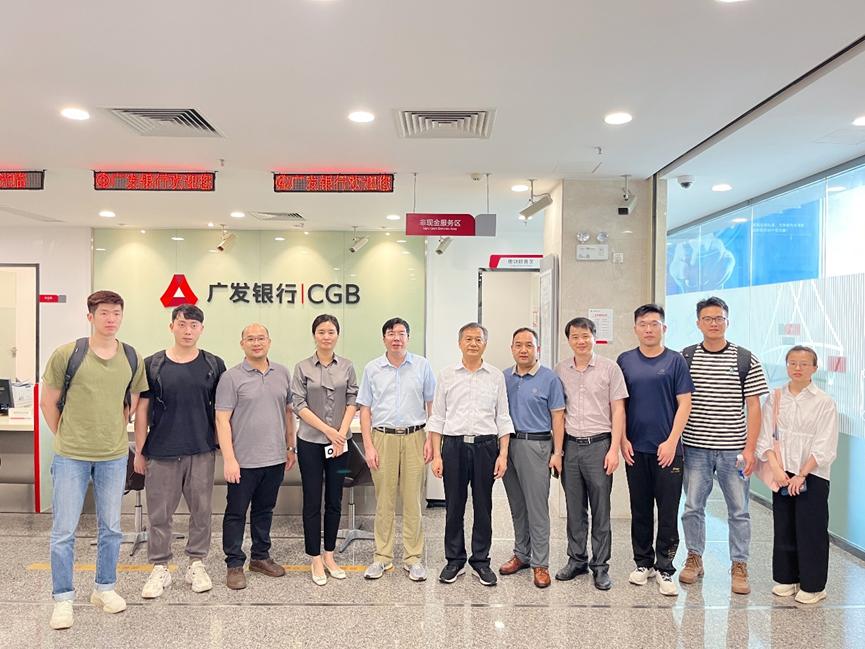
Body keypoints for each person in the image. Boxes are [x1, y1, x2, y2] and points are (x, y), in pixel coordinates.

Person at [40, 290, 148, 630]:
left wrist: (113, 429)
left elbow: (132, 400)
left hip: (113, 456)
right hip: (70, 456)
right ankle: (63, 599)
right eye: (104, 313)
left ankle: (104, 588)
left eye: (116, 313)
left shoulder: (131, 356)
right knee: (64, 531)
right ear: (90, 317)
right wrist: (66, 435)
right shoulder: (67, 354)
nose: (111, 319)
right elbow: (48, 402)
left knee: (111, 528)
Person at [134, 304, 226, 599]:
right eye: (182, 324)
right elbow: (142, 411)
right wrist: (139, 451)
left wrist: (224, 449)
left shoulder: (213, 364)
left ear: (202, 329)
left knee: (201, 512)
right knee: (159, 514)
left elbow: (221, 412)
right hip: (161, 452)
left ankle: (196, 564)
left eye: (194, 326)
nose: (188, 331)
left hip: (201, 450)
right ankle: (160, 567)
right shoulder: (153, 364)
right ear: (171, 326)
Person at [679, 296, 768, 594]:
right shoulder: (686, 357)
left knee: (739, 510)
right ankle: (694, 558)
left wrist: (750, 449)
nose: (714, 323)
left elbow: (754, 406)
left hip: (734, 450)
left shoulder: (745, 358)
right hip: (695, 447)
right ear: (698, 323)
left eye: (719, 318)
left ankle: (739, 565)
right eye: (708, 318)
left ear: (728, 321)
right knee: (692, 507)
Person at [429, 322, 514, 587]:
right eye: (468, 339)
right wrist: (437, 455)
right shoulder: (447, 375)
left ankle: (480, 561)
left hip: (485, 447)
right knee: (454, 506)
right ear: (459, 343)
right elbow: (437, 417)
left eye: (478, 339)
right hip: (453, 446)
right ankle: (454, 560)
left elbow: (503, 416)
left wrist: (503, 454)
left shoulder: (495, 376)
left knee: (483, 506)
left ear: (485, 344)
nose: (473, 343)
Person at [617, 304, 693, 597]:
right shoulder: (625, 361)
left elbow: (685, 403)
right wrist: (622, 439)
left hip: (668, 450)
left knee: (668, 510)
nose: (649, 329)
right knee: (640, 509)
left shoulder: (675, 361)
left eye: (654, 324)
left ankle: (665, 567)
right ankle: (643, 563)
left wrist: (673, 441)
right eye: (643, 324)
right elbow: (619, 405)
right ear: (635, 328)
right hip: (635, 449)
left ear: (664, 328)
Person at [215, 323, 295, 590]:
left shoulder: (282, 373)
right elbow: (222, 420)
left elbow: (288, 413)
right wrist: (229, 459)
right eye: (250, 339)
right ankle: (234, 563)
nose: (256, 343)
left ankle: (260, 556)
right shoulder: (231, 378)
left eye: (261, 338)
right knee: (236, 513)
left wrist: (290, 447)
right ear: (242, 344)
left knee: (264, 510)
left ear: (269, 342)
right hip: (243, 462)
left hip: (274, 458)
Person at [757, 345, 838, 605]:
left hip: (812, 473)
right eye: (792, 363)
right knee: (784, 525)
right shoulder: (775, 397)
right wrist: (777, 469)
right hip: (782, 471)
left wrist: (801, 475)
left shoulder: (823, 402)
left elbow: (825, 445)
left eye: (804, 364)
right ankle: (787, 577)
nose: (797, 368)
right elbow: (766, 436)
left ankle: (814, 585)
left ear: (814, 368)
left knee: (811, 528)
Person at [358, 318, 436, 582]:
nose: (396, 338)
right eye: (391, 334)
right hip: (383, 438)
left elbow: (432, 405)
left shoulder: (422, 366)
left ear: (408, 338)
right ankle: (382, 557)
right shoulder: (372, 368)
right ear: (384, 339)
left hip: (415, 437)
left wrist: (430, 440)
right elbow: (365, 409)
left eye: (402, 333)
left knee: (413, 501)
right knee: (385, 501)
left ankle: (413, 559)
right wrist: (369, 446)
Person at [554, 317, 628, 591]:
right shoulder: (560, 370)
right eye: (575, 337)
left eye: (585, 336)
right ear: (569, 340)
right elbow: (558, 413)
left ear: (594, 337)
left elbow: (618, 410)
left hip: (599, 446)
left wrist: (614, 449)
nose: (581, 341)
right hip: (571, 446)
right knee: (574, 509)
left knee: (600, 509)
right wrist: (558, 451)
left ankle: (600, 566)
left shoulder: (610, 368)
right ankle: (576, 560)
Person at [291, 314, 358, 586]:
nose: (326, 336)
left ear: (337, 335)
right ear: (314, 335)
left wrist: (340, 433)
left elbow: (353, 399)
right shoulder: (302, 367)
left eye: (331, 331)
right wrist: (328, 431)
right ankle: (315, 557)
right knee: (311, 499)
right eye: (321, 331)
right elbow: (299, 404)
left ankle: (330, 555)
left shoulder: (348, 366)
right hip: (310, 442)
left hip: (341, 445)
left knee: (334, 498)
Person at [499, 327, 565, 589]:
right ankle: (521, 554)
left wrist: (557, 452)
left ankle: (541, 563)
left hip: (537, 445)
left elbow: (558, 418)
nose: (523, 350)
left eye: (529, 345)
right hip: (508, 445)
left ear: (538, 349)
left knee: (537, 508)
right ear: (512, 348)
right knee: (517, 505)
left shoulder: (550, 378)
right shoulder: (504, 377)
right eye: (518, 345)